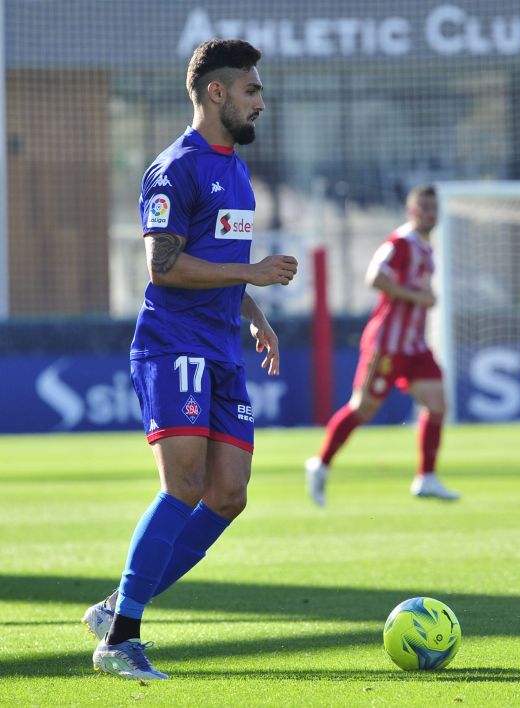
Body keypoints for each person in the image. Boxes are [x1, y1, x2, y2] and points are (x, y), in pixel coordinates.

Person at [81, 39, 298, 680]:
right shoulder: (175, 167)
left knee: (228, 495)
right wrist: (255, 275)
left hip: (222, 347)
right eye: (252, 90)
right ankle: (121, 638)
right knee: (183, 485)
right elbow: (164, 266)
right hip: (174, 344)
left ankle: (120, 601)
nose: (261, 101)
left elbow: (223, 268)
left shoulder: (236, 170)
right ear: (216, 92)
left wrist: (252, 316)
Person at [304, 185, 459, 505]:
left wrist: (424, 297)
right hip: (386, 344)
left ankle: (426, 477)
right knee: (363, 408)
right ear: (411, 211)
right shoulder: (400, 242)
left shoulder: (427, 249)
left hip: (414, 345)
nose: (430, 215)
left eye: (434, 209)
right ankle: (320, 464)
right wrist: (418, 296)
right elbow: (375, 277)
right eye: (424, 209)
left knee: (438, 403)